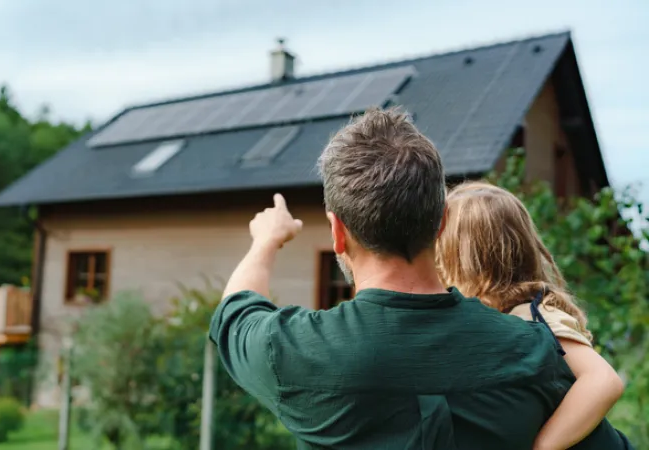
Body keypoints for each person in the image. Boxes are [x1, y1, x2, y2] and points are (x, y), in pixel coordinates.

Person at [208, 108, 630, 449]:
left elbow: (236, 309)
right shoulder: (535, 351)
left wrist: (267, 240)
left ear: (338, 233)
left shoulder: (291, 351)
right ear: (441, 221)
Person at [435, 181, 633, 450]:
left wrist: (541, 447)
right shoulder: (495, 317)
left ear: (458, 258)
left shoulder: (534, 315)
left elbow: (603, 381)